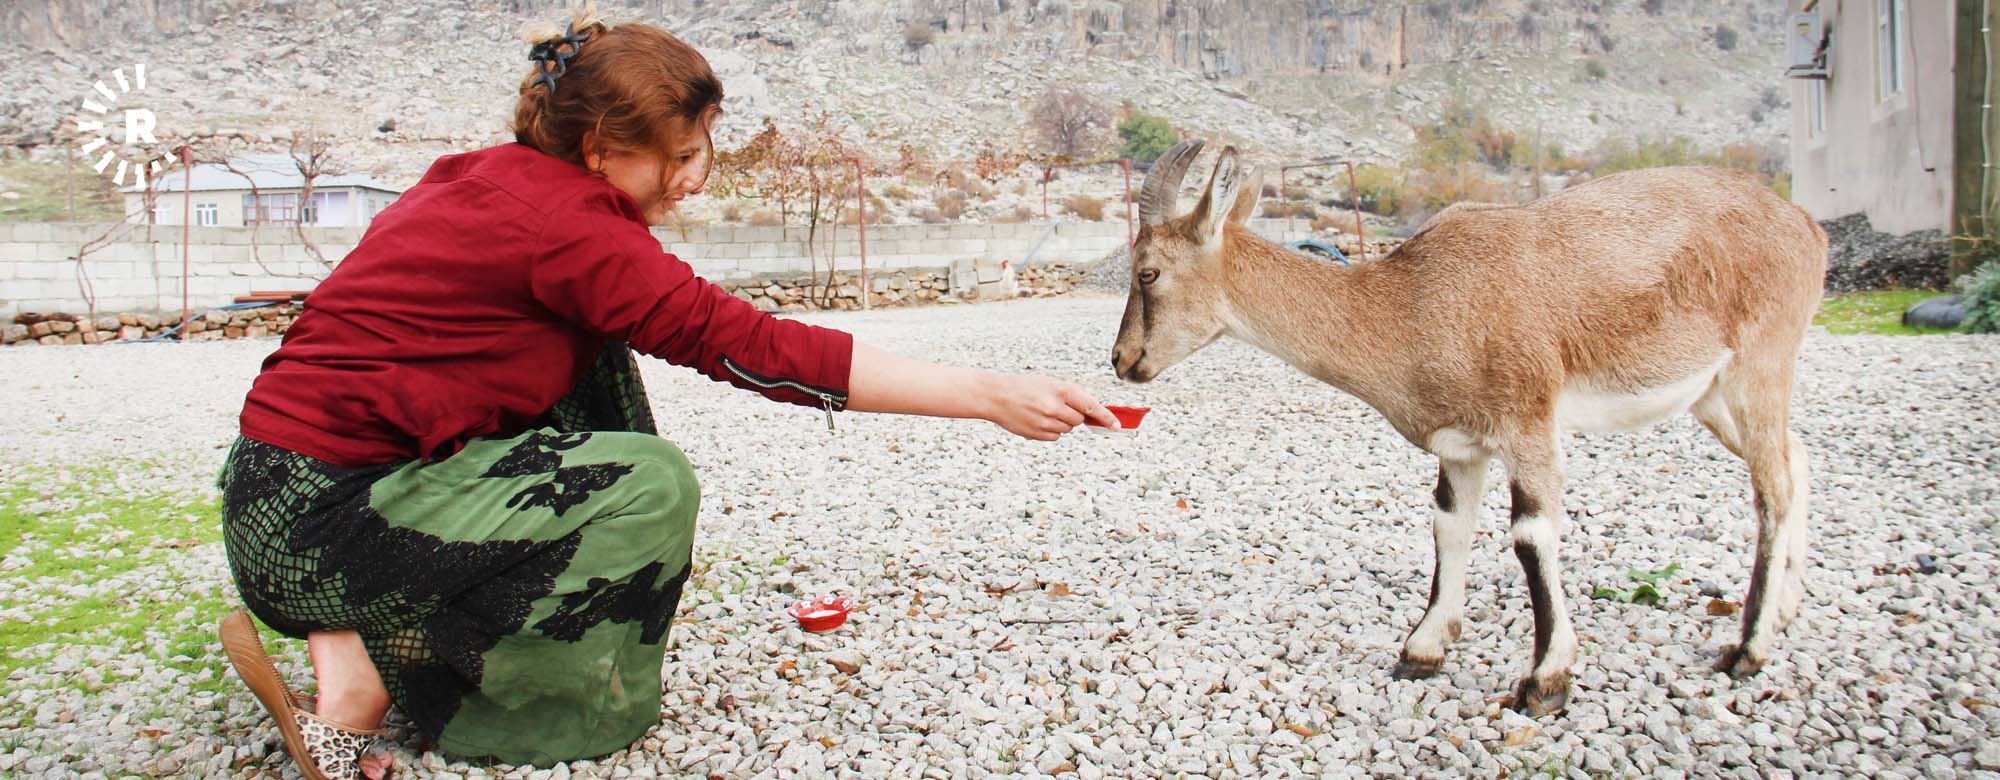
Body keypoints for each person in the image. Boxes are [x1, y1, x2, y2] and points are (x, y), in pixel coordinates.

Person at [213, 5, 1118, 777]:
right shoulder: (573, 233)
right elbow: (755, 348)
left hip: (267, 496)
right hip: (330, 524)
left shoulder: (482, 176)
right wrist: (988, 394)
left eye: (704, 147)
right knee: (648, 483)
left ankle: (352, 628)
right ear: (603, 150)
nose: (693, 176)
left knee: (592, 363)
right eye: (679, 155)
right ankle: (449, 694)